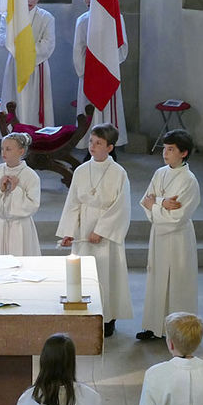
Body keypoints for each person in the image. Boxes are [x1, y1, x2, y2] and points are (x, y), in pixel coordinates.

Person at [56, 123, 132, 337]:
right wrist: (70, 231)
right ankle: (85, 316)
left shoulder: (118, 173)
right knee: (85, 276)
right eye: (91, 141)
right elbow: (73, 203)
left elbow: (121, 206)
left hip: (106, 234)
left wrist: (102, 230)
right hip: (84, 229)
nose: (92, 146)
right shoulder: (81, 170)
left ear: (110, 147)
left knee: (107, 274)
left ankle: (107, 319)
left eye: (98, 143)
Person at [137, 130, 200, 340]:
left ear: (184, 153)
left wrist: (155, 203)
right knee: (156, 278)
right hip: (159, 236)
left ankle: (178, 332)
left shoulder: (189, 181)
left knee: (177, 283)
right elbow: (145, 200)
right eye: (164, 148)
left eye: (171, 149)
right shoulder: (160, 173)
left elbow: (177, 216)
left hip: (178, 238)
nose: (165, 153)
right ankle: (155, 326)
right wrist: (161, 203)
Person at [73, 0, 128, 149]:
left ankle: (110, 146)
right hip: (90, 73)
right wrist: (83, 72)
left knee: (109, 111)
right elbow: (78, 48)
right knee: (91, 110)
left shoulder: (115, 18)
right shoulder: (83, 20)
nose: (88, 0)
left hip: (108, 72)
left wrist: (110, 65)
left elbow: (122, 45)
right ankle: (91, 147)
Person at [0, 0, 55, 129]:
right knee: (15, 98)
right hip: (16, 64)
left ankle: (37, 133)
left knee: (35, 102)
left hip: (37, 65)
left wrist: (28, 54)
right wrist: (20, 52)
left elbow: (48, 43)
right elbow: (3, 38)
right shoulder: (9, 15)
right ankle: (14, 133)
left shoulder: (46, 17)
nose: (31, 0)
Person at [0, 132, 41, 256]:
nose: (3, 152)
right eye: (2, 148)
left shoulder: (31, 176)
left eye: (8, 149)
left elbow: (33, 205)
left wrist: (16, 190)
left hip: (21, 226)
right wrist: (1, 190)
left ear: (21, 151)